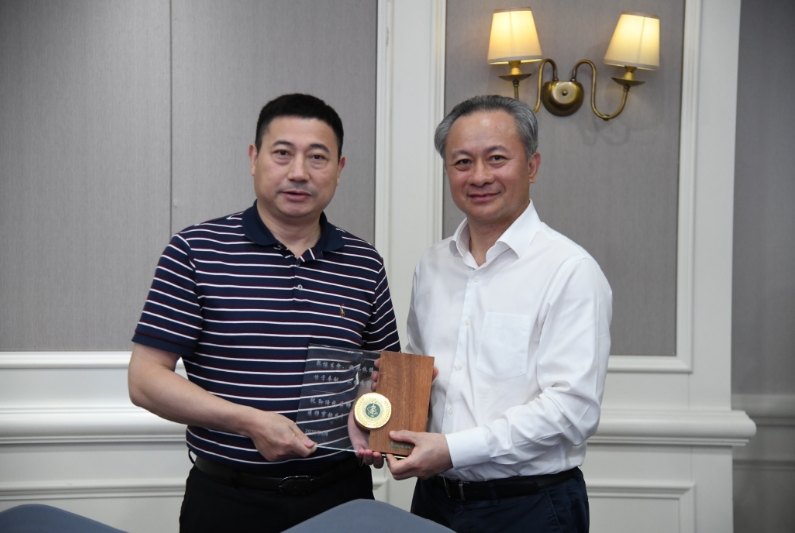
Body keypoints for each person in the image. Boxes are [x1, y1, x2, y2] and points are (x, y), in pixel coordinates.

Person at [128, 93, 400, 533]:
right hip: (228, 501)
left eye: (317, 157)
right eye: (282, 153)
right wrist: (249, 422)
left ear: (339, 169)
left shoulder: (363, 263)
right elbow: (144, 380)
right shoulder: (195, 251)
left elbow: (385, 372)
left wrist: (375, 421)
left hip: (342, 495)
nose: (299, 172)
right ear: (254, 159)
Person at [386, 95, 612, 533]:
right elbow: (421, 371)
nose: (479, 176)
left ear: (532, 166)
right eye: (462, 162)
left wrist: (454, 450)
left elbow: (571, 410)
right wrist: (384, 416)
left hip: (530, 507)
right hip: (434, 499)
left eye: (496, 158)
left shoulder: (569, 270)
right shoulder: (432, 266)